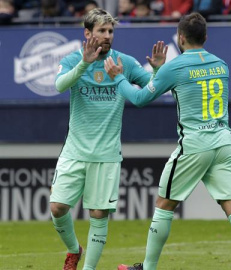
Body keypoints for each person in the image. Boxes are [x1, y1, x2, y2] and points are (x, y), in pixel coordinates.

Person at [104, 12, 231, 270]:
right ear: (206, 37)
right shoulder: (222, 64)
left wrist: (119, 78)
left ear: (180, 38)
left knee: (164, 204)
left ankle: (148, 267)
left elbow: (141, 98)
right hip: (223, 143)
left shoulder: (175, 66)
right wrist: (157, 70)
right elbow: (188, 87)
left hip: (195, 144)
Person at [50, 8, 165, 270]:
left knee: (98, 215)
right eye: (101, 31)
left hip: (107, 154)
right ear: (87, 33)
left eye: (110, 31)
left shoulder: (123, 62)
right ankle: (73, 250)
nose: (107, 36)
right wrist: (84, 64)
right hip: (74, 150)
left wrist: (158, 72)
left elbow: (152, 89)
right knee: (57, 208)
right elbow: (59, 85)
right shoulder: (73, 60)